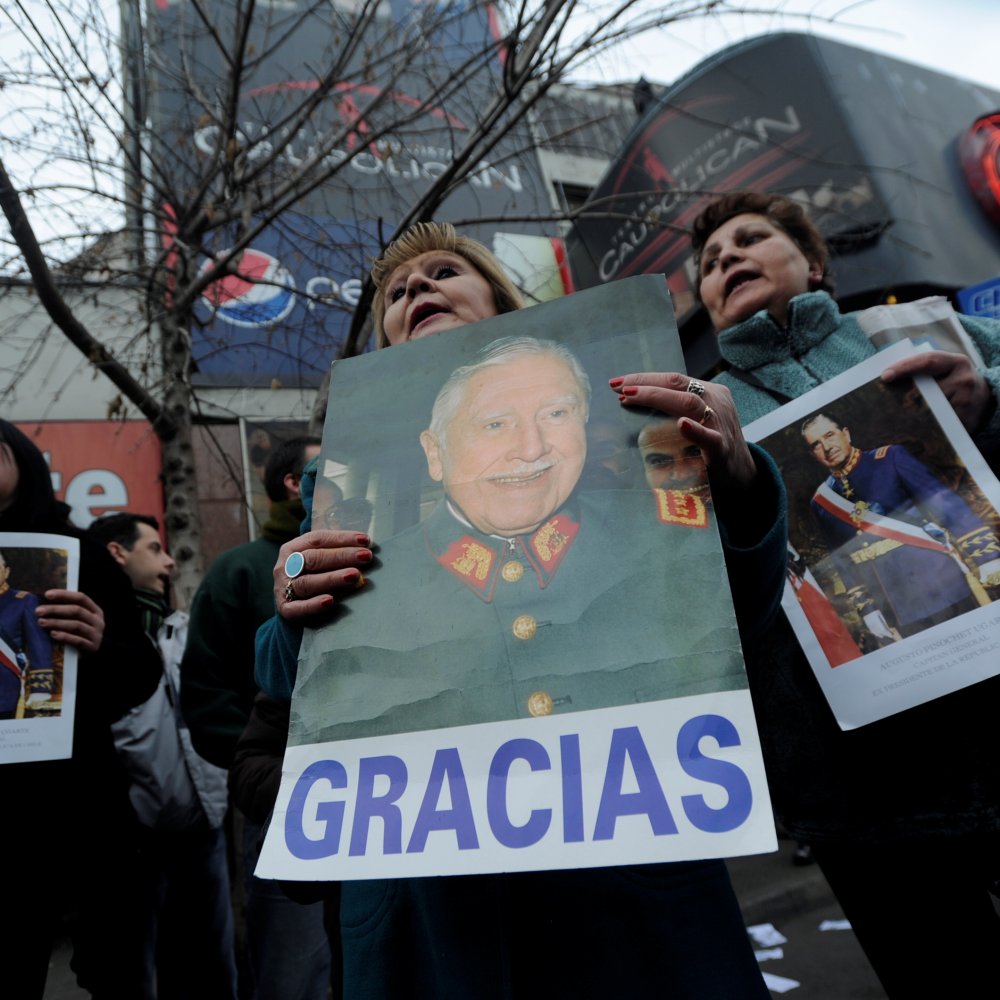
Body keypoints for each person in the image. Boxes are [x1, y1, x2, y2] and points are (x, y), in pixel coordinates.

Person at [231, 222, 789, 999]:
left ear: (503, 297)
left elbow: (734, 625)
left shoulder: (641, 494)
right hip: (429, 932)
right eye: (395, 292)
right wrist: (294, 613)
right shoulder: (357, 515)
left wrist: (745, 486)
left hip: (633, 920)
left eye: (443, 271)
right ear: (432, 446)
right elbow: (296, 701)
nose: (415, 288)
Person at [632, 189, 1000, 997]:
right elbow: (688, 599)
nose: (724, 259)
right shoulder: (697, 418)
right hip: (863, 796)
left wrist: (987, 398)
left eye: (750, 240)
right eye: (709, 263)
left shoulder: (930, 335)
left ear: (815, 261)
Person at [292, 337, 748, 747]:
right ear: (435, 453)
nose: (531, 448)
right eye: (494, 424)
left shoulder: (666, 530)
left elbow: (751, 629)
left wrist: (748, 486)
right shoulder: (372, 579)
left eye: (556, 414)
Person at [0, 419, 163, 999]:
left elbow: (142, 675)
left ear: (23, 461)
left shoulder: (82, 556)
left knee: (115, 971)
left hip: (84, 802)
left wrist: (101, 641)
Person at [180, 435, 336, 1000]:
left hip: (379, 810)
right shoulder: (238, 571)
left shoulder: (374, 561)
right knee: (291, 971)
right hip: (280, 806)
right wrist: (276, 778)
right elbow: (207, 699)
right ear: (296, 485)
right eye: (323, 468)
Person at [88, 512, 237, 1000]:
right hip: (134, 844)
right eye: (154, 548)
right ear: (117, 553)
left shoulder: (183, 629)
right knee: (131, 977)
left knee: (210, 971)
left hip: (203, 828)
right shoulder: (87, 640)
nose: (169, 561)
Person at [801, 411, 1000, 639]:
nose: (827, 446)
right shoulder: (821, 501)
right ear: (813, 454)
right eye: (816, 444)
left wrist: (985, 555)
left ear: (846, 433)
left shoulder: (890, 459)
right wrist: (868, 609)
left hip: (939, 582)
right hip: (894, 602)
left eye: (830, 435)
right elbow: (842, 560)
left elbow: (942, 502)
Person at [0, 547, 55, 717]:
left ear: (7, 571)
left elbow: (38, 644)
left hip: (4, 689)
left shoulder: (23, 600)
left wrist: (40, 688)